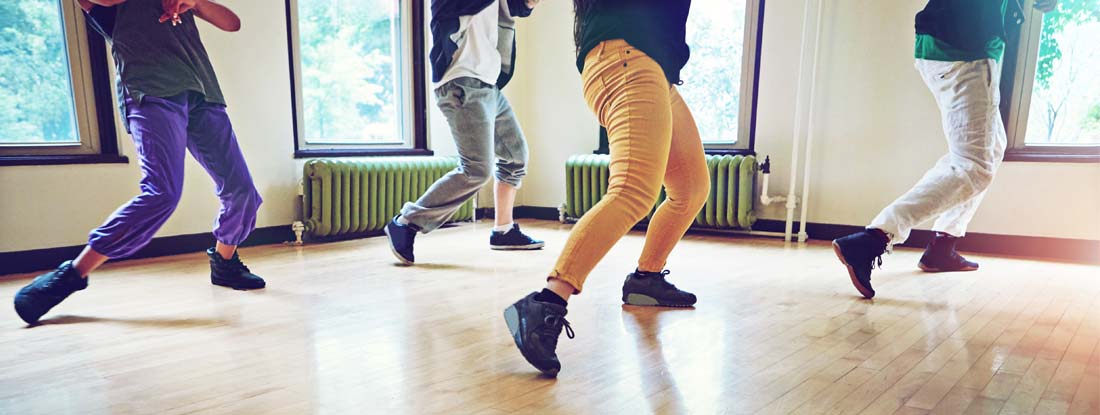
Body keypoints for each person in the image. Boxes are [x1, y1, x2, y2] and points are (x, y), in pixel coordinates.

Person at [14, 0, 265, 326]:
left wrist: (194, 2)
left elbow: (232, 23)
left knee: (242, 190)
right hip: (152, 93)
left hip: (203, 95)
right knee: (162, 193)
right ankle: (72, 273)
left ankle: (225, 263)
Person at [503, 0, 709, 376]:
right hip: (626, 56)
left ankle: (646, 279)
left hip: (652, 66)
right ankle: (545, 302)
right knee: (633, 189)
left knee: (691, 187)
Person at [832, 0, 1058, 299]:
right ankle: (872, 238)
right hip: (964, 51)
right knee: (974, 166)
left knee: (989, 150)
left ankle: (943, 246)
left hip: (955, 45)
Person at [384, 0, 545, 265]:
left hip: (489, 83)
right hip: (461, 81)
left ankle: (503, 231)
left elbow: (513, 7)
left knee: (515, 156)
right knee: (476, 169)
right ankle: (405, 223)